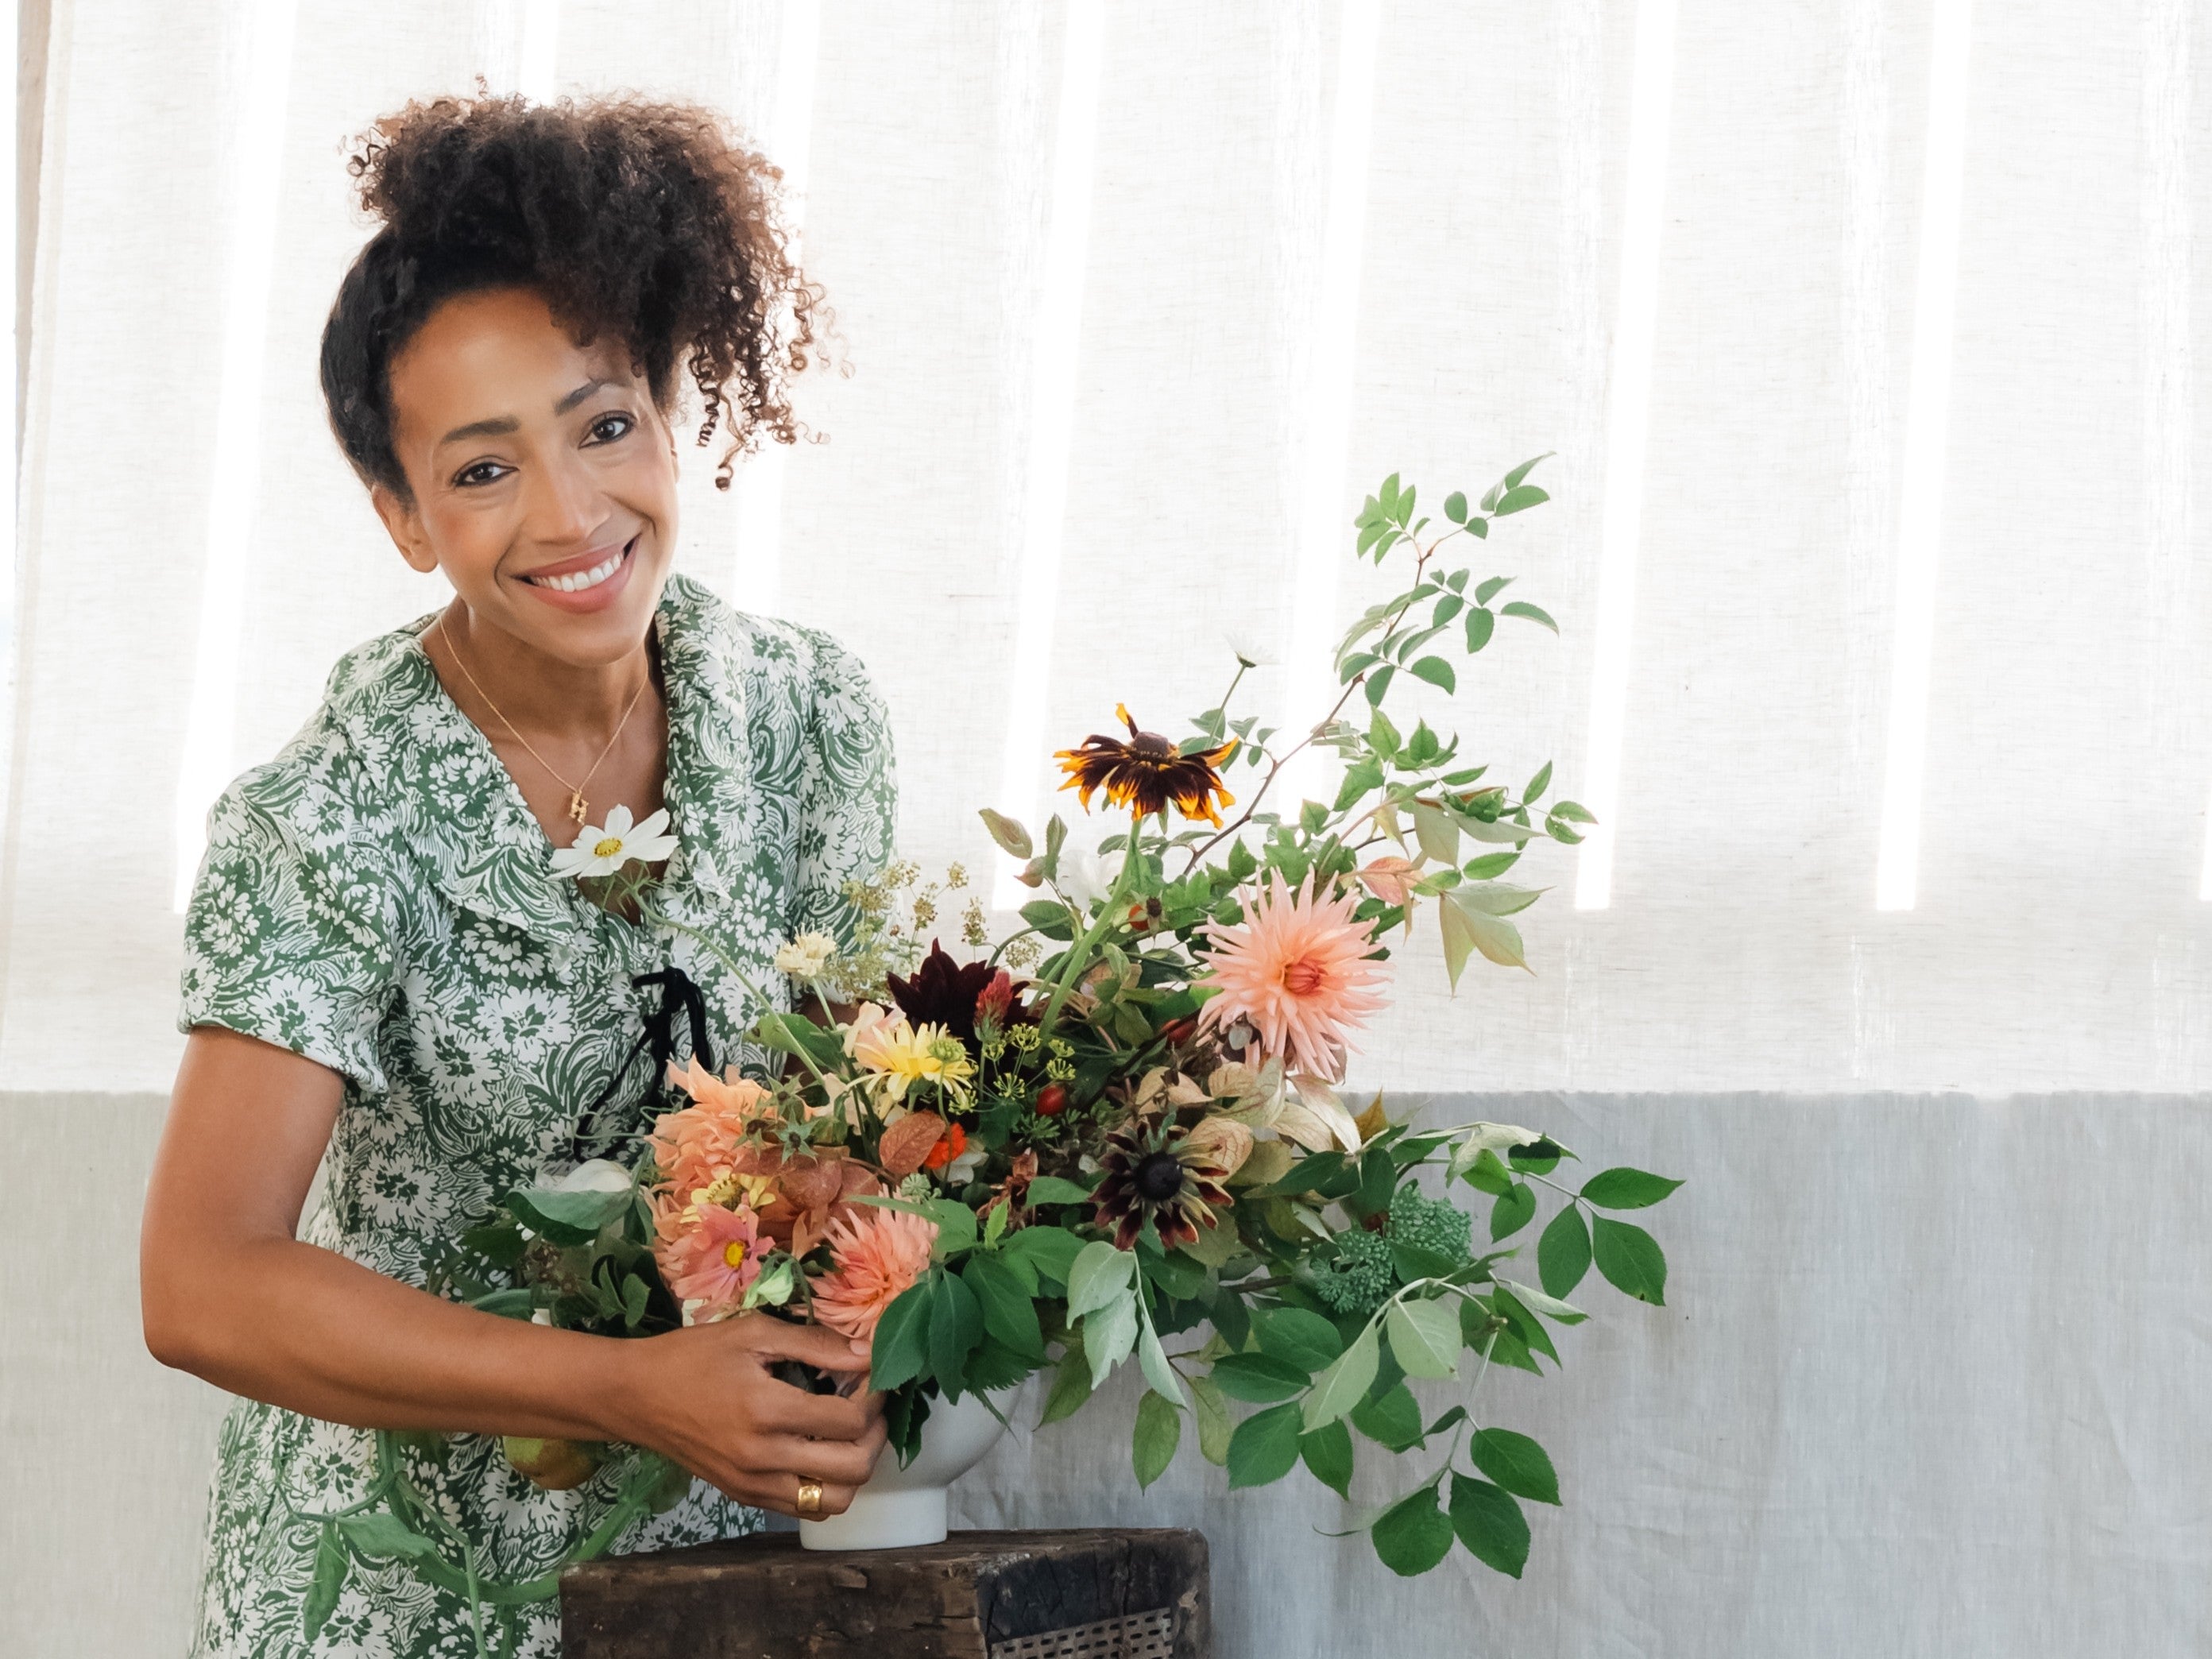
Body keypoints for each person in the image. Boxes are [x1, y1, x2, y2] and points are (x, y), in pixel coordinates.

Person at [139, 95, 894, 1658]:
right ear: (403, 517)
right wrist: (626, 1389)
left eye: (604, 423)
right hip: (397, 1597)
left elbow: (865, 1122)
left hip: (729, 1589)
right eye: (482, 471)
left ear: (671, 417)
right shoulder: (328, 814)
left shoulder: (812, 716)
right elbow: (203, 1284)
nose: (569, 515)